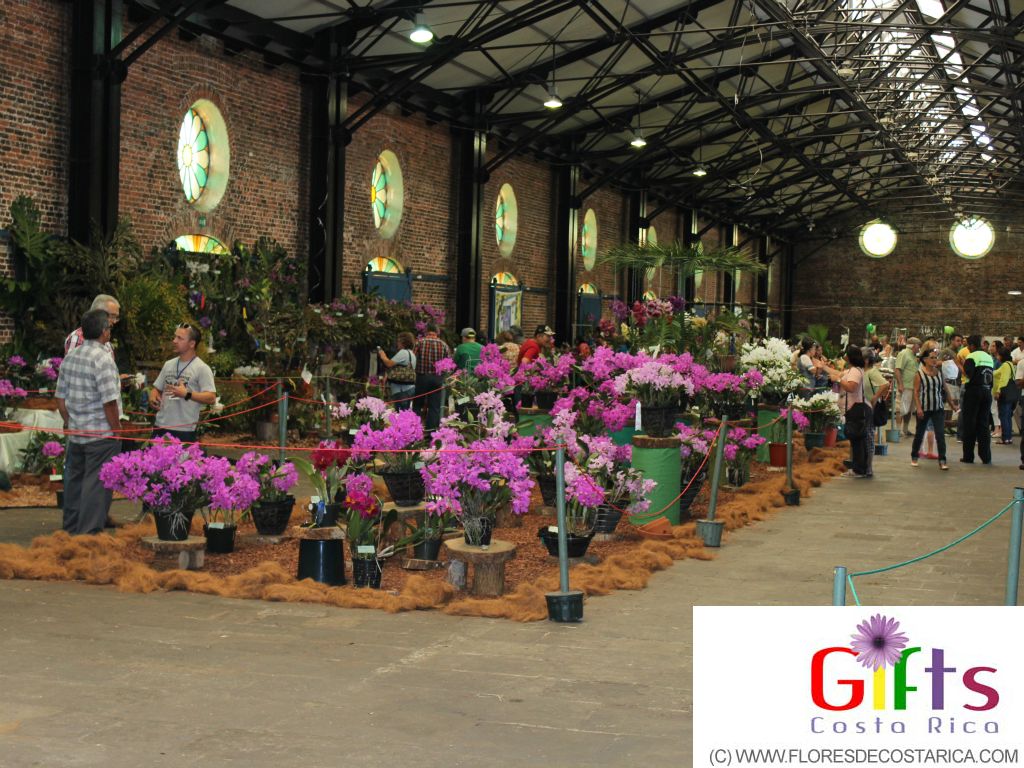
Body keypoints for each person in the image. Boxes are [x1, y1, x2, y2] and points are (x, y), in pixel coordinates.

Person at [54, 309, 122, 535]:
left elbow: (60, 399)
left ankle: (70, 529)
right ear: (105, 332)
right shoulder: (103, 359)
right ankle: (88, 535)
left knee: (74, 482)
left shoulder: (70, 357)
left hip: (77, 433)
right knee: (97, 484)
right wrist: (117, 430)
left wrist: (69, 422)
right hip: (101, 435)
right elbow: (109, 403)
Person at [149, 323, 217, 443]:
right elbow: (157, 388)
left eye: (180, 338)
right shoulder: (168, 364)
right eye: (175, 337)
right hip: (160, 426)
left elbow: (211, 397)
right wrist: (153, 396)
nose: (174, 341)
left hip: (184, 430)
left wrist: (187, 394)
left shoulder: (202, 368)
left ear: (192, 343)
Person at [910, 348, 950, 470]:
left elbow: (945, 389)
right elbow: (916, 393)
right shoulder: (919, 374)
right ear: (925, 360)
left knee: (940, 435)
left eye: (936, 357)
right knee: (920, 434)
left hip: (938, 407)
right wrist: (919, 408)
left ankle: (942, 460)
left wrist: (952, 403)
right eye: (932, 358)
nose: (934, 360)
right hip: (924, 408)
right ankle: (914, 456)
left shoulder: (938, 372)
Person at [960, 334, 994, 464]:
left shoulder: (971, 356)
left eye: (968, 345)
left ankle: (968, 456)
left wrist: (963, 365)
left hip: (974, 391)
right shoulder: (988, 356)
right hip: (986, 392)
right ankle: (986, 457)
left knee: (970, 423)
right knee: (983, 424)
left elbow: (969, 373)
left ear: (972, 345)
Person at [413, 323, 452, 432]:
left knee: (417, 405)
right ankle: (431, 432)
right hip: (437, 379)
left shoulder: (419, 343)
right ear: (437, 333)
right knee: (434, 407)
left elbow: (413, 359)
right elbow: (448, 363)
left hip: (422, 377)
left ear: (426, 332)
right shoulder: (444, 345)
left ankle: (414, 430)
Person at [838, 345, 870, 478]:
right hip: (856, 407)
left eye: (846, 354)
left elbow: (851, 387)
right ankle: (860, 468)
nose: (844, 356)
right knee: (859, 440)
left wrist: (840, 381)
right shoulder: (855, 370)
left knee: (857, 440)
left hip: (855, 408)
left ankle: (858, 469)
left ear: (850, 357)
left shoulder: (855, 372)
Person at [862, 347, 891, 478]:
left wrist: (875, 397)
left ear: (866, 360)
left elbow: (885, 384)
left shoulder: (872, 372)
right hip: (863, 407)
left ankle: (868, 466)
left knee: (868, 436)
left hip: (870, 408)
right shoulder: (863, 371)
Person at [378, 332, 417, 410]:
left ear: (403, 342)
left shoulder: (403, 352)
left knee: (400, 414)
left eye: (398, 341)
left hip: (401, 390)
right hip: (409, 388)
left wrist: (383, 356)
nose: (397, 343)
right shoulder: (411, 354)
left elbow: (389, 363)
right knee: (405, 412)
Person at [894, 337, 921, 436]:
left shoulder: (913, 355)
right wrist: (900, 384)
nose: (919, 348)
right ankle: (897, 430)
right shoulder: (904, 353)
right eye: (919, 346)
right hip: (905, 386)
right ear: (914, 345)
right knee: (900, 409)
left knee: (909, 409)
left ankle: (905, 429)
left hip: (913, 386)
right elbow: (897, 370)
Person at [992, 346, 1017, 445]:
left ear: (1002, 356)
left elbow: (1003, 380)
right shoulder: (1010, 364)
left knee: (1004, 415)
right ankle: (1008, 438)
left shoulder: (1005, 365)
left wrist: (998, 391)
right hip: (1010, 394)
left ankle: (1005, 438)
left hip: (1004, 394)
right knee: (1007, 416)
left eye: (998, 355)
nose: (997, 357)